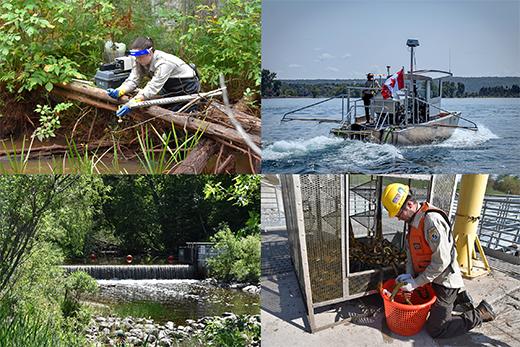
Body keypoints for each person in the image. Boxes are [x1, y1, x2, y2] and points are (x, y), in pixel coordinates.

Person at [381, 183, 496, 339]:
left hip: (444, 282)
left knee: (436, 329)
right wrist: (410, 274)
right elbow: (410, 252)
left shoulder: (431, 221)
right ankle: (459, 299)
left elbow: (442, 261)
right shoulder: (412, 222)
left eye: (399, 213)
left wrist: (417, 282)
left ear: (409, 204)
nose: (398, 218)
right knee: (419, 305)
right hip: (429, 279)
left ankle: (480, 313)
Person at [107, 37, 200, 119]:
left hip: (187, 87)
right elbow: (133, 80)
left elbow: (153, 86)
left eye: (139, 57)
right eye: (135, 57)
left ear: (150, 53)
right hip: (168, 88)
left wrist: (133, 103)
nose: (137, 60)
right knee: (165, 118)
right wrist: (120, 90)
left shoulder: (164, 63)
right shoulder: (139, 60)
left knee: (181, 119)